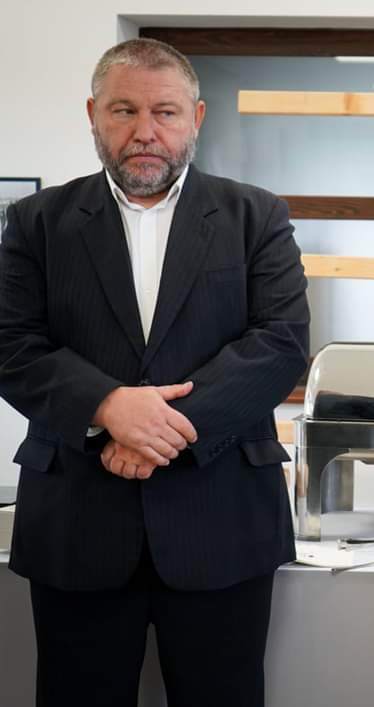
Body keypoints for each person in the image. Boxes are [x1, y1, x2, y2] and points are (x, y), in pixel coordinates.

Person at [0, 38, 309, 707]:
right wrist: (108, 407)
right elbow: (11, 344)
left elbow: (281, 343)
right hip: (77, 523)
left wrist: (160, 428)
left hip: (222, 519)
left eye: (165, 112)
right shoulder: (36, 223)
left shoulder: (256, 215)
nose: (145, 131)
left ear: (196, 117)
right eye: (124, 110)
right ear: (93, 115)